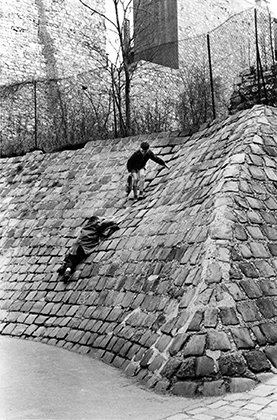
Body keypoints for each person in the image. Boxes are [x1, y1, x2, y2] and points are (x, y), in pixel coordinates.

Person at [57, 215, 119, 282]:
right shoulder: (96, 226)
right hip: (84, 248)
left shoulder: (85, 228)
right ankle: (66, 268)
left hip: (76, 246)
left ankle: (66, 268)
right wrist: (113, 223)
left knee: (71, 257)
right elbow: (107, 223)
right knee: (76, 259)